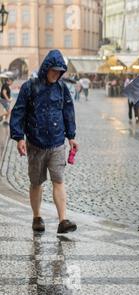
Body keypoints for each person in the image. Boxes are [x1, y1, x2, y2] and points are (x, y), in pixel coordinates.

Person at [9, 49, 79, 234]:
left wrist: (71, 136)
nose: (56, 74)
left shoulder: (62, 88)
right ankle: (37, 217)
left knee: (59, 180)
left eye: (59, 71)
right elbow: (18, 112)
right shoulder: (29, 87)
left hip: (57, 143)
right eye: (54, 70)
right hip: (35, 144)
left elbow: (68, 113)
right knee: (36, 183)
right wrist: (18, 138)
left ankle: (63, 220)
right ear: (46, 68)